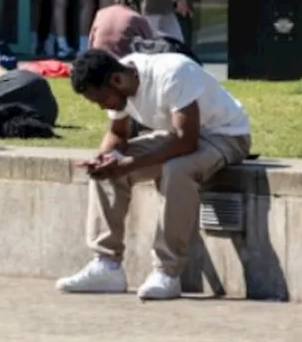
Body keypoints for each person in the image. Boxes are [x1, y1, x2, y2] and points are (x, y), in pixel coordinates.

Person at [55, 49, 251, 300]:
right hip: (179, 134)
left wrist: (130, 163)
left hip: (225, 136)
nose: (102, 106)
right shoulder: (119, 79)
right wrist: (105, 158)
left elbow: (186, 142)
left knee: (176, 169)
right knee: (108, 170)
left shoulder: (173, 74)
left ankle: (167, 272)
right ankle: (106, 265)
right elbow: (118, 134)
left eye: (102, 100)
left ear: (116, 80)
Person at [88, 0, 154, 58]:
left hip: (96, 60)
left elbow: (91, 42)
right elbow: (151, 45)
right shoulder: (137, 18)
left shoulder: (101, 13)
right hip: (121, 63)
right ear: (140, 2)